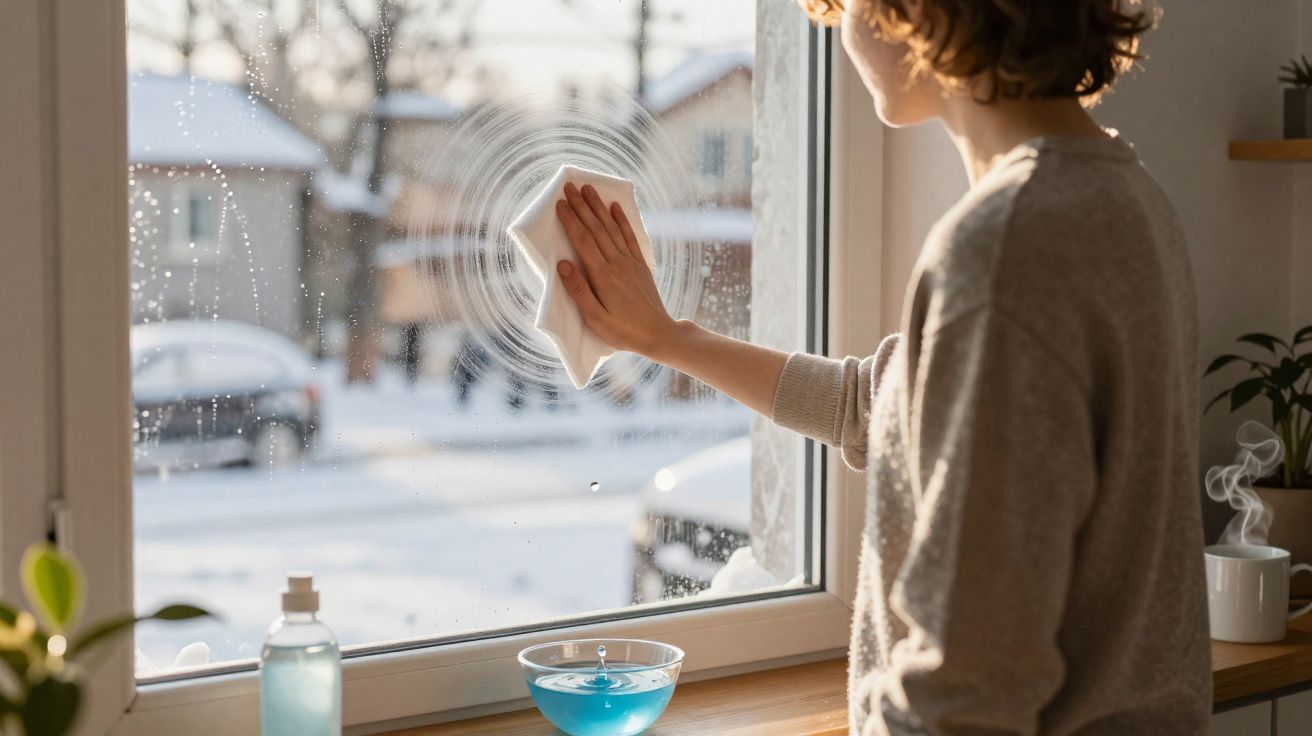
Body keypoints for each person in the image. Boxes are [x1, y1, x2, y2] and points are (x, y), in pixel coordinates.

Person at [553, 0, 1210, 732]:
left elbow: (970, 684)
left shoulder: (1009, 245)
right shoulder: (1124, 200)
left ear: (917, 11)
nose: (839, 31)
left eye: (851, 6)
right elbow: (879, 406)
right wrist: (668, 339)